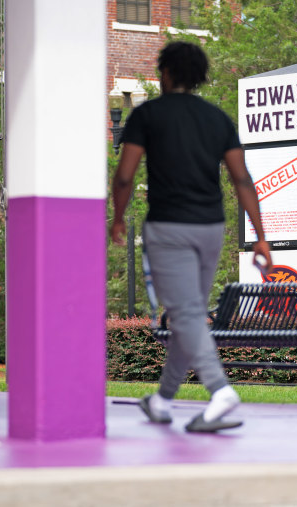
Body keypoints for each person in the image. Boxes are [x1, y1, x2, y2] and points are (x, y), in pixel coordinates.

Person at [109, 41, 272, 433]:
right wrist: (261, 237)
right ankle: (163, 400)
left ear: (165, 73)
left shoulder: (147, 115)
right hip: (210, 228)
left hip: (168, 227)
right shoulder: (217, 119)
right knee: (190, 314)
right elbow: (241, 178)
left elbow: (126, 174)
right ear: (198, 76)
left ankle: (220, 391)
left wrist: (117, 217)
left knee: (184, 314)